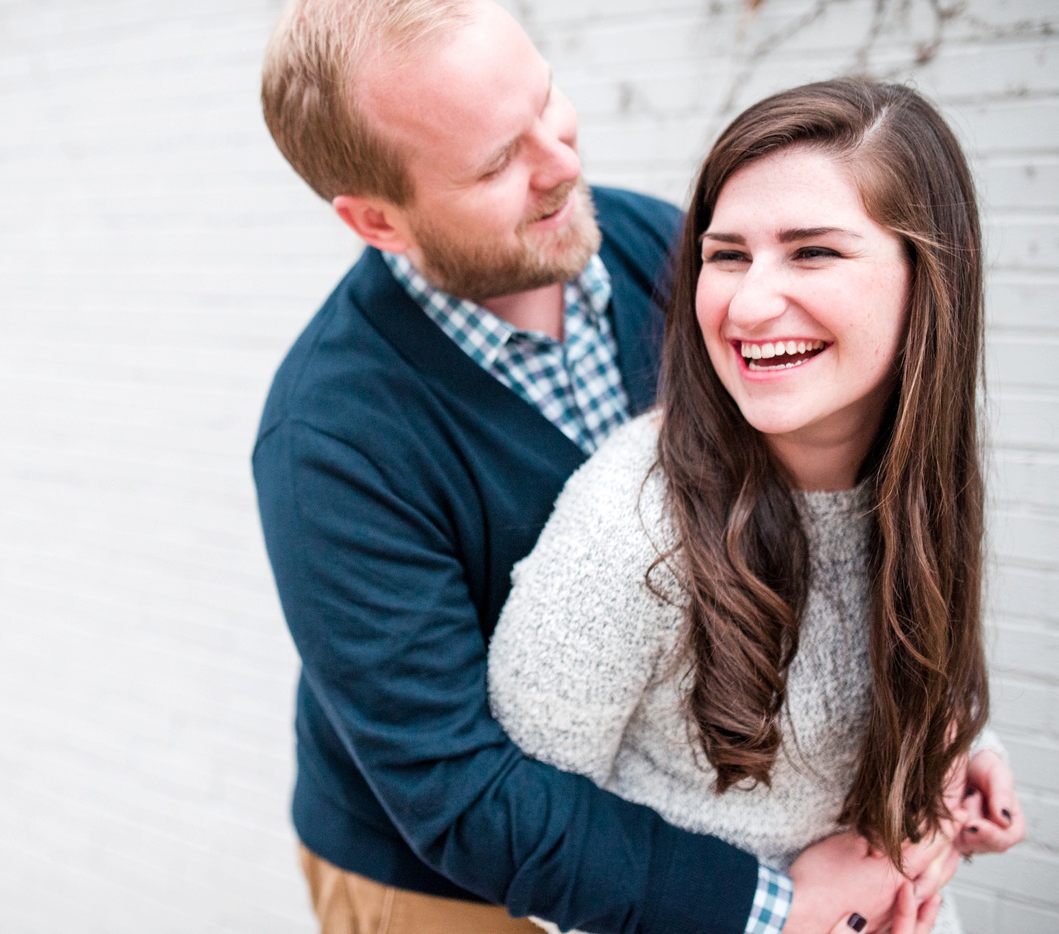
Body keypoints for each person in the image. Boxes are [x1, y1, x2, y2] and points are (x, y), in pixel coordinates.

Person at [253, 1, 1019, 931]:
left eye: (546, 100)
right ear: (377, 219)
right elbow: (456, 789)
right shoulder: (329, 441)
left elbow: (822, 547)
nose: (563, 162)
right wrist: (773, 906)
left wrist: (931, 738)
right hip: (441, 878)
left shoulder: (668, 251)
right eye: (499, 160)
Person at [488, 78, 1026, 934]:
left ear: (930, 278)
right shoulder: (632, 527)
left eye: (813, 253)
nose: (746, 303)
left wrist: (963, 749)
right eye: (727, 254)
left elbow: (890, 657)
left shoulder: (926, 467)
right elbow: (532, 837)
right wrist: (774, 910)